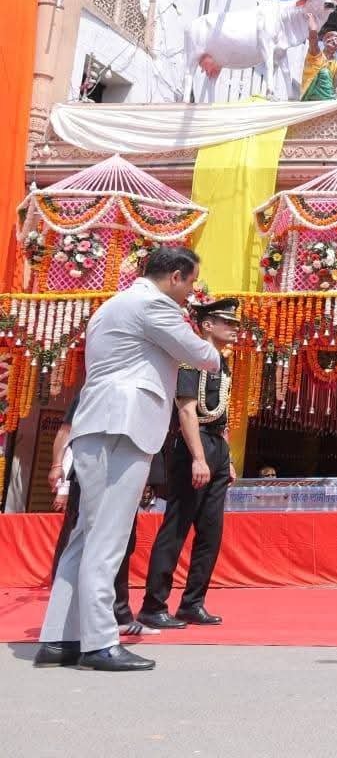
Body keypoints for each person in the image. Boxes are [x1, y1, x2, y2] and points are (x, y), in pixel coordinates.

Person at [35, 246, 222, 672]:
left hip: (101, 422)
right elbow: (205, 357)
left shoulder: (115, 304)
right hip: (122, 423)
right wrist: (203, 333)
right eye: (191, 282)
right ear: (175, 276)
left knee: (86, 536)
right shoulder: (153, 305)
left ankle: (60, 637)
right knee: (108, 538)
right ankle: (99, 642)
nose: (191, 291)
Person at [137, 298, 242, 630]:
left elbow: (219, 416)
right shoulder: (190, 360)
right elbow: (186, 411)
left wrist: (226, 458)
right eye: (229, 322)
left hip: (215, 445)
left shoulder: (221, 364)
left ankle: (192, 603)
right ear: (208, 325)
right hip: (190, 444)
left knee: (211, 531)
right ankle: (153, 605)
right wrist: (198, 457)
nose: (235, 328)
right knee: (177, 526)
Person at [48, 394, 159, 640]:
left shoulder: (133, 396)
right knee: (82, 544)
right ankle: (67, 621)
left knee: (121, 545)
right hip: (89, 477)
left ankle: (119, 616)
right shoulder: (92, 391)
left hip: (121, 481)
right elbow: (66, 431)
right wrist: (57, 465)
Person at [299, 26, 337, 101]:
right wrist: (313, 28)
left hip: (329, 93)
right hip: (310, 93)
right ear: (324, 41)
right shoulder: (316, 54)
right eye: (330, 38)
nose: (333, 41)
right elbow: (313, 40)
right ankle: (330, 99)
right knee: (324, 72)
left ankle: (331, 99)